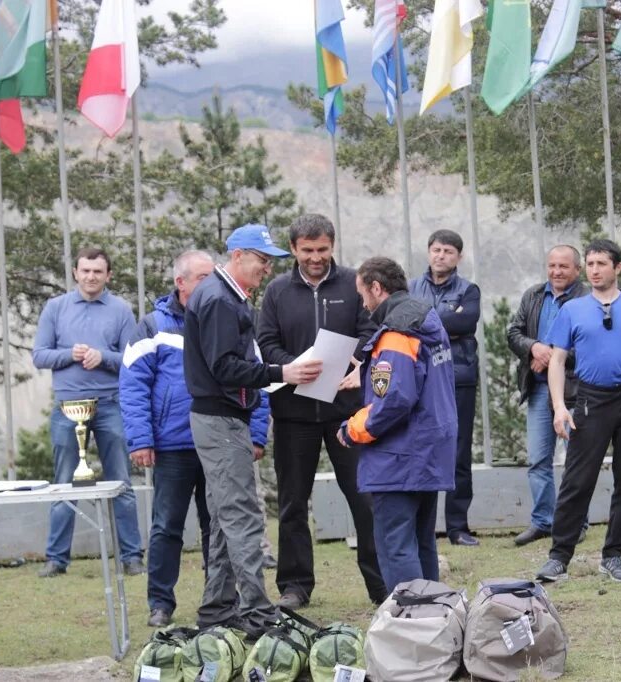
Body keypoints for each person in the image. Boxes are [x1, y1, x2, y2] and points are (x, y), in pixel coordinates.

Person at [183, 223, 323, 638]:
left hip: (221, 419)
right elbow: (225, 367)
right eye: (262, 260)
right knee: (243, 517)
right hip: (221, 420)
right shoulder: (221, 300)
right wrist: (284, 371)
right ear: (238, 255)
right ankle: (259, 617)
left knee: (227, 516)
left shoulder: (225, 296)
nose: (267, 268)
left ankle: (216, 610)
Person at [120, 250, 273, 628]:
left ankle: (220, 601)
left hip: (221, 437)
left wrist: (255, 434)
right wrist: (141, 440)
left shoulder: (228, 315)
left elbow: (257, 377)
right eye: (202, 277)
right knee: (167, 525)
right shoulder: (154, 326)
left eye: (213, 276)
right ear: (181, 282)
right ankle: (160, 602)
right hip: (172, 443)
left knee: (219, 522)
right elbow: (133, 384)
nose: (211, 283)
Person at [257, 214, 386, 610]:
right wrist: (291, 367)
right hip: (294, 413)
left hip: (346, 413)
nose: (316, 258)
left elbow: (372, 330)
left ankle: (382, 585)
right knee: (294, 502)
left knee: (364, 499)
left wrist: (352, 357)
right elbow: (266, 342)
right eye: (308, 250)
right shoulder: (276, 291)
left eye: (323, 250)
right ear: (294, 249)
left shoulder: (353, 283)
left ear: (333, 246)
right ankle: (295, 586)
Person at [535, 239, 621, 584]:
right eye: (591, 264)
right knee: (577, 480)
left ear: (618, 268)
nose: (595, 270)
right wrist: (558, 407)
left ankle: (613, 556)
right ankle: (559, 557)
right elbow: (557, 360)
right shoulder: (573, 310)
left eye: (602, 264)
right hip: (590, 401)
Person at [338, 257, 458, 593]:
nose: (363, 304)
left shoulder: (396, 334)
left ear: (377, 288)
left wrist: (352, 429)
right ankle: (434, 618)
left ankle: (411, 621)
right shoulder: (427, 319)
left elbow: (394, 399)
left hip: (400, 455)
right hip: (430, 449)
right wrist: (365, 371)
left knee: (395, 543)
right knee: (422, 541)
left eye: (363, 294)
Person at [32, 247, 144, 578]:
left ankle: (132, 557)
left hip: (111, 405)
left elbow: (132, 358)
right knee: (64, 481)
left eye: (98, 271)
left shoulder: (121, 310)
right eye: (85, 271)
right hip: (67, 408)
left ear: (108, 275)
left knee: (120, 481)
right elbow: (39, 356)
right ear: (75, 273)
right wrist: (70, 354)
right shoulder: (55, 308)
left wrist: (104, 358)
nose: (91, 276)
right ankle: (56, 559)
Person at [507, 245, 589, 547]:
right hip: (539, 389)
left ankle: (575, 522)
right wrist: (533, 347)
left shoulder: (587, 299)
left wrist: (554, 355)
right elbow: (512, 332)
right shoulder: (533, 295)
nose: (556, 272)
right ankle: (543, 521)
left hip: (575, 391)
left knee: (575, 461)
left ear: (577, 270)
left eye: (563, 267)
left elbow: (591, 346)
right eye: (552, 265)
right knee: (538, 459)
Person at [408, 229, 479, 546]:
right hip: (419, 377)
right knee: (420, 448)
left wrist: (426, 320)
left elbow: (466, 323)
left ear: (458, 257)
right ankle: (419, 525)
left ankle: (457, 526)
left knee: (459, 451)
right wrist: (444, 319)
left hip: (457, 377)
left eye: (448, 251)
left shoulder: (469, 290)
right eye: (436, 250)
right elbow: (402, 322)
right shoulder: (411, 288)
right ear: (428, 252)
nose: (441, 256)